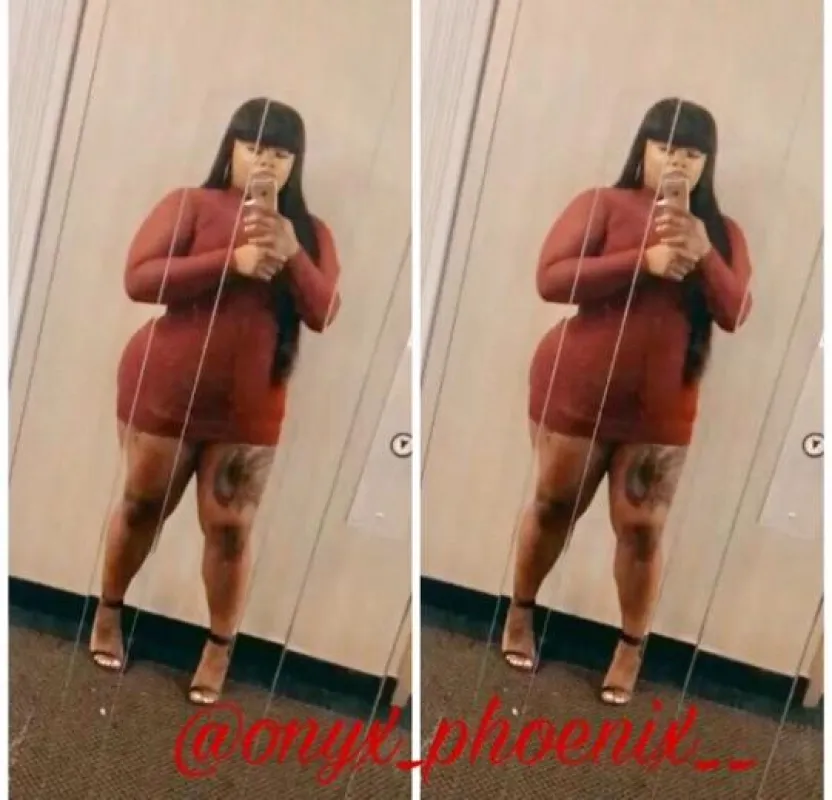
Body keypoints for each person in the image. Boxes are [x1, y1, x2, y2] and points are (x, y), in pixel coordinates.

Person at [88, 97, 341, 705]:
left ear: (296, 163)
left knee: (230, 530)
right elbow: (139, 279)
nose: (266, 162)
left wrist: (290, 252)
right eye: (254, 147)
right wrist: (233, 261)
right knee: (142, 504)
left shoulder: (309, 232)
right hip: (164, 387)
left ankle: (220, 646)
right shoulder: (191, 204)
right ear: (230, 148)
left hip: (250, 407)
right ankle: (108, 612)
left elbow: (323, 312)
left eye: (281, 153)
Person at [501, 98, 753, 706]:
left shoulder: (721, 233)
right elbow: (550, 279)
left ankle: (631, 646)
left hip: (662, 407)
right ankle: (519, 612)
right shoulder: (603, 204)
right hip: (576, 387)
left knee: (642, 530)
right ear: (643, 148)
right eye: (666, 148)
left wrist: (703, 253)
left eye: (692, 153)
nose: (678, 161)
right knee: (554, 504)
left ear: (707, 162)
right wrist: (644, 261)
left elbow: (735, 313)